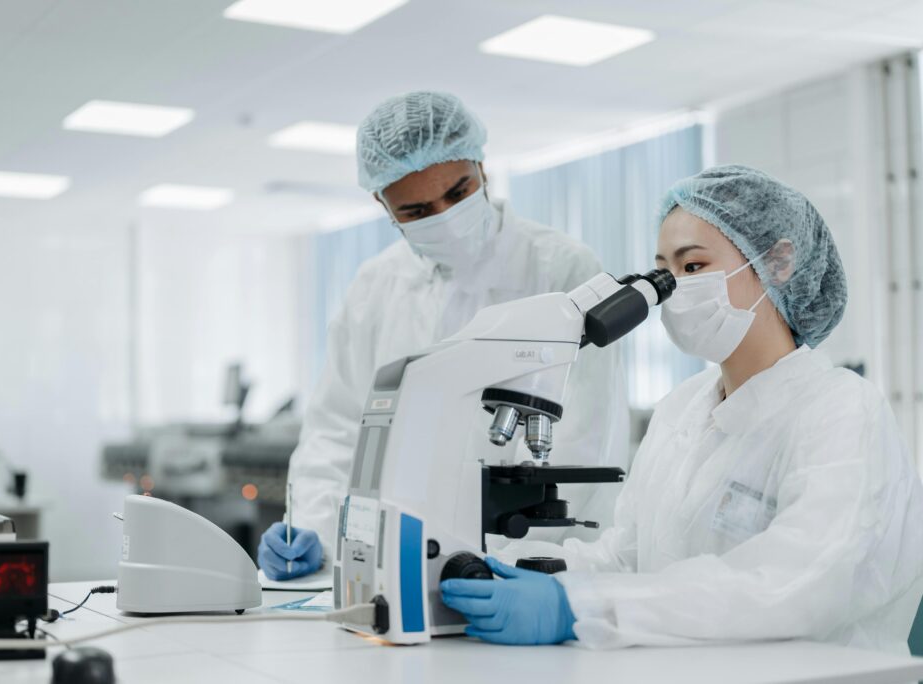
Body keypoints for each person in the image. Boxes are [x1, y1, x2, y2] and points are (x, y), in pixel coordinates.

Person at [441, 165, 923, 653]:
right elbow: (627, 559)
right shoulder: (681, 409)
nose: (675, 290)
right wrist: (499, 565)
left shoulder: (840, 411)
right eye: (664, 273)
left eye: (693, 268)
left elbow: (795, 584)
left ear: (778, 262)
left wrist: (580, 609)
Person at [258, 91, 629, 580]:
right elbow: (338, 430)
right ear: (382, 204)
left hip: (526, 563)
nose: (445, 218)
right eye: (416, 211)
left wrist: (502, 562)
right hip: (398, 559)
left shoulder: (561, 268)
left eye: (457, 193)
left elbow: (583, 437)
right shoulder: (374, 287)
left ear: (482, 168)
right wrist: (316, 531)